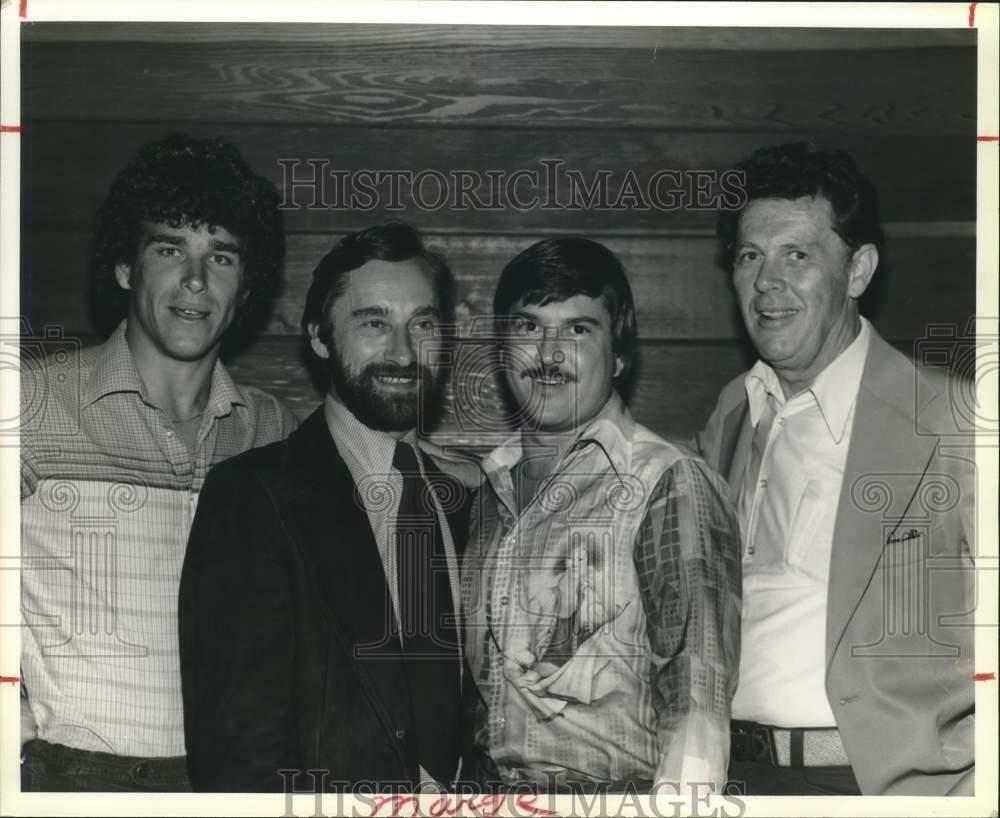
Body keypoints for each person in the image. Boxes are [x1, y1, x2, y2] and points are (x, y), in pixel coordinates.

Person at [695, 142, 976, 795]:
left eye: (797, 254)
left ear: (857, 271)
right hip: (734, 782)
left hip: (879, 788)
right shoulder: (733, 413)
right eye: (749, 256)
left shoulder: (949, 420)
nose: (767, 282)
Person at [19, 133, 297, 791]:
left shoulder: (271, 429)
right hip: (73, 778)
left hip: (232, 782)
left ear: (246, 287)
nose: (195, 281)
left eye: (221, 257)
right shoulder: (29, 404)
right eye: (170, 248)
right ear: (125, 267)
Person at [179, 222, 472, 793]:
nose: (403, 352)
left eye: (423, 324)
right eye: (373, 323)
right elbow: (236, 758)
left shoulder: (465, 499)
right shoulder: (250, 499)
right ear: (318, 336)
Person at [461, 237, 741, 795]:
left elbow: (698, 701)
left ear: (619, 355)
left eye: (578, 330)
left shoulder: (667, 481)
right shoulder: (489, 492)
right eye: (528, 326)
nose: (548, 353)